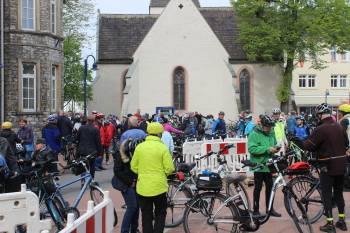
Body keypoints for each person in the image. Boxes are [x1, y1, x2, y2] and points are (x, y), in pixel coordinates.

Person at [298, 103, 349, 232]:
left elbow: (309, 145)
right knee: (338, 194)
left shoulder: (321, 129)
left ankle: (330, 224)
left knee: (326, 194)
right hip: (342, 165)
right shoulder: (339, 126)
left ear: (320, 115)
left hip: (328, 166)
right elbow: (347, 144)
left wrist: (297, 141)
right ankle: (341, 222)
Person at [131, 122, 175, 233]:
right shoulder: (162, 148)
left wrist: (142, 173)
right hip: (159, 186)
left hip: (143, 187)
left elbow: (133, 166)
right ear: (159, 134)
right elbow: (170, 168)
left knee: (146, 215)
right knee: (160, 213)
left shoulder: (140, 147)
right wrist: (163, 174)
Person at [113, 116, 147, 233]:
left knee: (136, 206)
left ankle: (134, 229)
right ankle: (125, 230)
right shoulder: (123, 154)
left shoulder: (125, 136)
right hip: (126, 183)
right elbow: (117, 170)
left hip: (133, 181)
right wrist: (130, 182)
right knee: (132, 206)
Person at [248, 115, 281, 217]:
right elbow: (252, 149)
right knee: (258, 188)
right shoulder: (254, 134)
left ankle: (269, 209)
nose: (269, 129)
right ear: (261, 125)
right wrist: (267, 149)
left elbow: (274, 144)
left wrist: (276, 148)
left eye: (270, 126)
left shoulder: (271, 132)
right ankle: (256, 210)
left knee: (270, 188)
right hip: (258, 165)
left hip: (269, 164)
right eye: (267, 126)